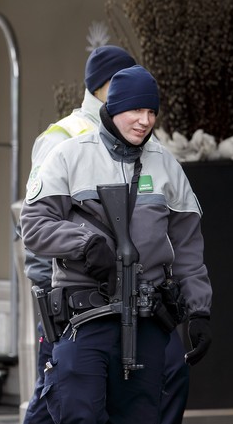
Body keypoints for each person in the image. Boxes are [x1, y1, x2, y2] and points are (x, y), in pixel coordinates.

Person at [20, 65, 212, 424]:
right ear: (112, 107)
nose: (144, 120)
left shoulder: (167, 166)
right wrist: (85, 243)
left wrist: (199, 310)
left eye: (152, 112)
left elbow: (188, 248)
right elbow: (33, 225)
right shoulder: (70, 155)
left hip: (147, 319)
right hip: (85, 316)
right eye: (135, 110)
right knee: (78, 410)